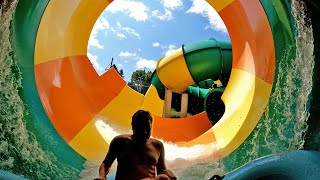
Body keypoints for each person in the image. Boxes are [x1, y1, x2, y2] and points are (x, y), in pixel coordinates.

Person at [95, 110, 177, 180]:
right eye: (141, 128)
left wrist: (167, 172)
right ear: (133, 126)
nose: (145, 132)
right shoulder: (120, 142)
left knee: (164, 178)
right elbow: (106, 164)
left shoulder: (157, 146)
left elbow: (161, 169)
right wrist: (102, 176)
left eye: (147, 129)